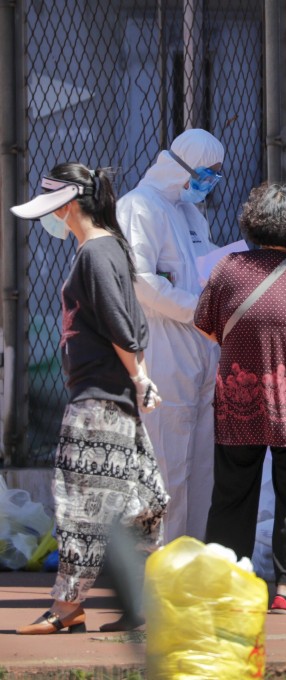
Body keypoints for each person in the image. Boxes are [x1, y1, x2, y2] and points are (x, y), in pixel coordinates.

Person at [12, 164, 169, 634]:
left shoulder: (97, 253)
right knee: (138, 503)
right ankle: (138, 604)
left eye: (52, 208)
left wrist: (139, 376)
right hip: (111, 395)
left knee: (83, 504)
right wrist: (139, 376)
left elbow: (121, 323)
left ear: (68, 205)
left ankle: (67, 607)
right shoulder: (108, 248)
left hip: (99, 399)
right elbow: (130, 324)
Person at [195, 183, 286, 614]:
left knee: (231, 494)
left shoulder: (227, 269)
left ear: (253, 224)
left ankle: (227, 585)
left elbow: (205, 325)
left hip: (237, 400)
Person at [117, 128, 224, 542]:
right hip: (163, 346)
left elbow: (202, 269)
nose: (210, 184)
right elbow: (141, 281)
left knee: (198, 469)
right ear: (183, 168)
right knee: (165, 463)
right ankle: (156, 568)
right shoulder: (139, 207)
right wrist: (198, 309)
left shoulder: (188, 212)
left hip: (200, 345)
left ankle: (188, 560)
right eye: (207, 175)